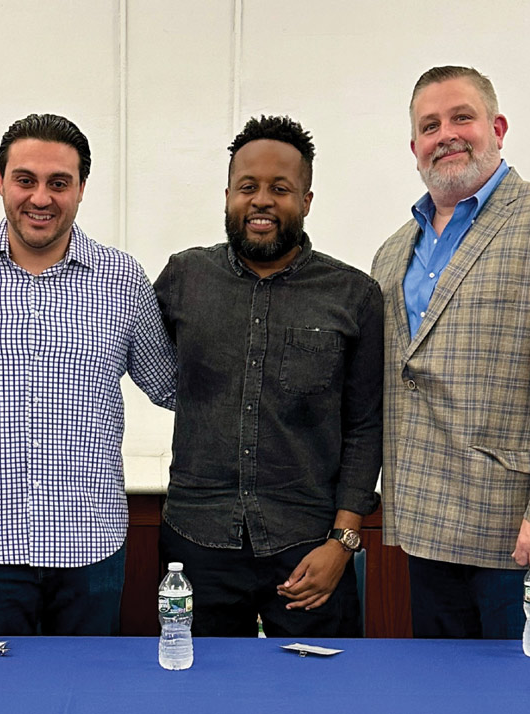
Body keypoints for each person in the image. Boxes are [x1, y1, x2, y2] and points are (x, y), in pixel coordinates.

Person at [372, 66, 530, 638]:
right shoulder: (393, 253)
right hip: (424, 530)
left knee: (523, 696)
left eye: (461, 117)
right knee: (440, 694)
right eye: (430, 125)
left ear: (497, 126)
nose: (446, 134)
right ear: (413, 146)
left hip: (522, 536)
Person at [0, 114, 176, 636]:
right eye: (25, 179)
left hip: (91, 550)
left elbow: (172, 386)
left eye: (59, 183)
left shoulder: (123, 279)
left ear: (81, 189)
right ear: (0, 181)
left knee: (82, 698)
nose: (41, 197)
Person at [155, 116, 383, 638]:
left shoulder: (354, 295)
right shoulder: (183, 278)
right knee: (196, 693)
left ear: (305, 199)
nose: (262, 200)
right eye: (248, 187)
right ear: (228, 195)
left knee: (317, 694)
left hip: (309, 546)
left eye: (280, 188)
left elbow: (366, 426)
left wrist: (342, 544)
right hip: (196, 542)